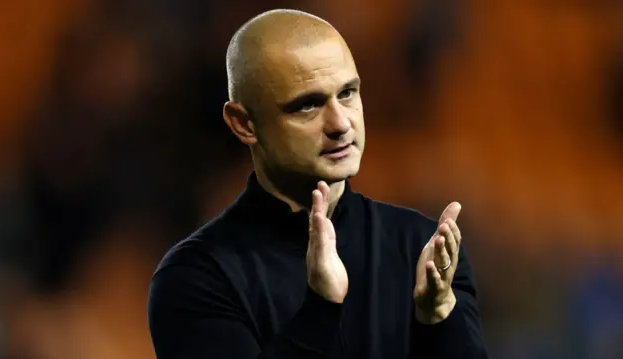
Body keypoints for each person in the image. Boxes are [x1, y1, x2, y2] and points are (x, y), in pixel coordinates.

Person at [148, 8, 488, 359]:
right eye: (307, 106)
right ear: (243, 124)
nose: (341, 123)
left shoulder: (422, 248)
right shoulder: (196, 279)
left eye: (347, 94)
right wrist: (321, 310)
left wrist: (439, 316)